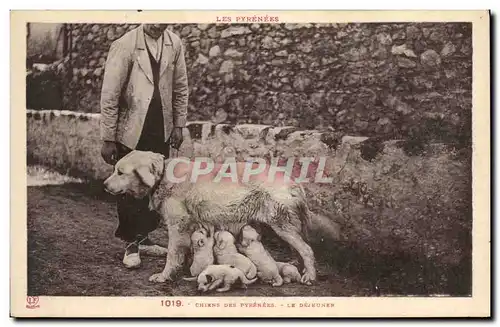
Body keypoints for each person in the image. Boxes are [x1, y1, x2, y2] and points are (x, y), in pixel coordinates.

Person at [99, 24, 188, 269]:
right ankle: (131, 244)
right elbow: (110, 94)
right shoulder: (124, 45)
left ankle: (145, 237)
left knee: (155, 186)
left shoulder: (175, 43)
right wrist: (108, 137)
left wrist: (178, 125)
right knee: (129, 186)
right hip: (131, 130)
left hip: (161, 128)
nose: (159, 23)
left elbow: (180, 87)